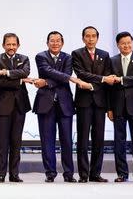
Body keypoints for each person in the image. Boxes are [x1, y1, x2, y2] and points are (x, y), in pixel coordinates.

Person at [32, 31, 89, 183]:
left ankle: (68, 173)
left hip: (65, 104)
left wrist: (46, 82)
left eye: (58, 41)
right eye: (52, 41)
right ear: (47, 43)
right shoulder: (41, 56)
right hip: (45, 104)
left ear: (62, 43)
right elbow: (48, 71)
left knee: (67, 140)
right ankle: (50, 173)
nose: (55, 43)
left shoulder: (68, 57)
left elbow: (63, 76)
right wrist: (70, 78)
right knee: (47, 140)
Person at [71, 26, 113, 183]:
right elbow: (81, 74)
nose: (90, 39)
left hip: (100, 101)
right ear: (83, 38)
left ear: (97, 38)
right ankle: (83, 174)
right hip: (84, 101)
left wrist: (109, 106)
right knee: (82, 139)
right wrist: (101, 79)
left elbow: (109, 77)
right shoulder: (76, 53)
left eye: (93, 36)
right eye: (87, 36)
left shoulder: (104, 55)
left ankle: (95, 173)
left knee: (99, 139)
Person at [0, 33, 33, 183]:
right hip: (2, 106)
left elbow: (25, 72)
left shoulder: (24, 59)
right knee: (3, 142)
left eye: (13, 44)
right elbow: (1, 83)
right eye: (8, 44)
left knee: (16, 141)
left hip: (20, 105)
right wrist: (21, 80)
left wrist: (7, 72)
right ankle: (1, 174)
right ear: (3, 45)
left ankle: (14, 174)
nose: (11, 47)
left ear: (18, 45)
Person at [108, 31, 133, 183]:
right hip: (117, 106)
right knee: (119, 140)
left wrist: (121, 79)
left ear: (132, 43)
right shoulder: (112, 61)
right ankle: (122, 174)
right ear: (118, 45)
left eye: (128, 42)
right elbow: (108, 88)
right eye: (123, 43)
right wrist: (109, 108)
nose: (126, 45)